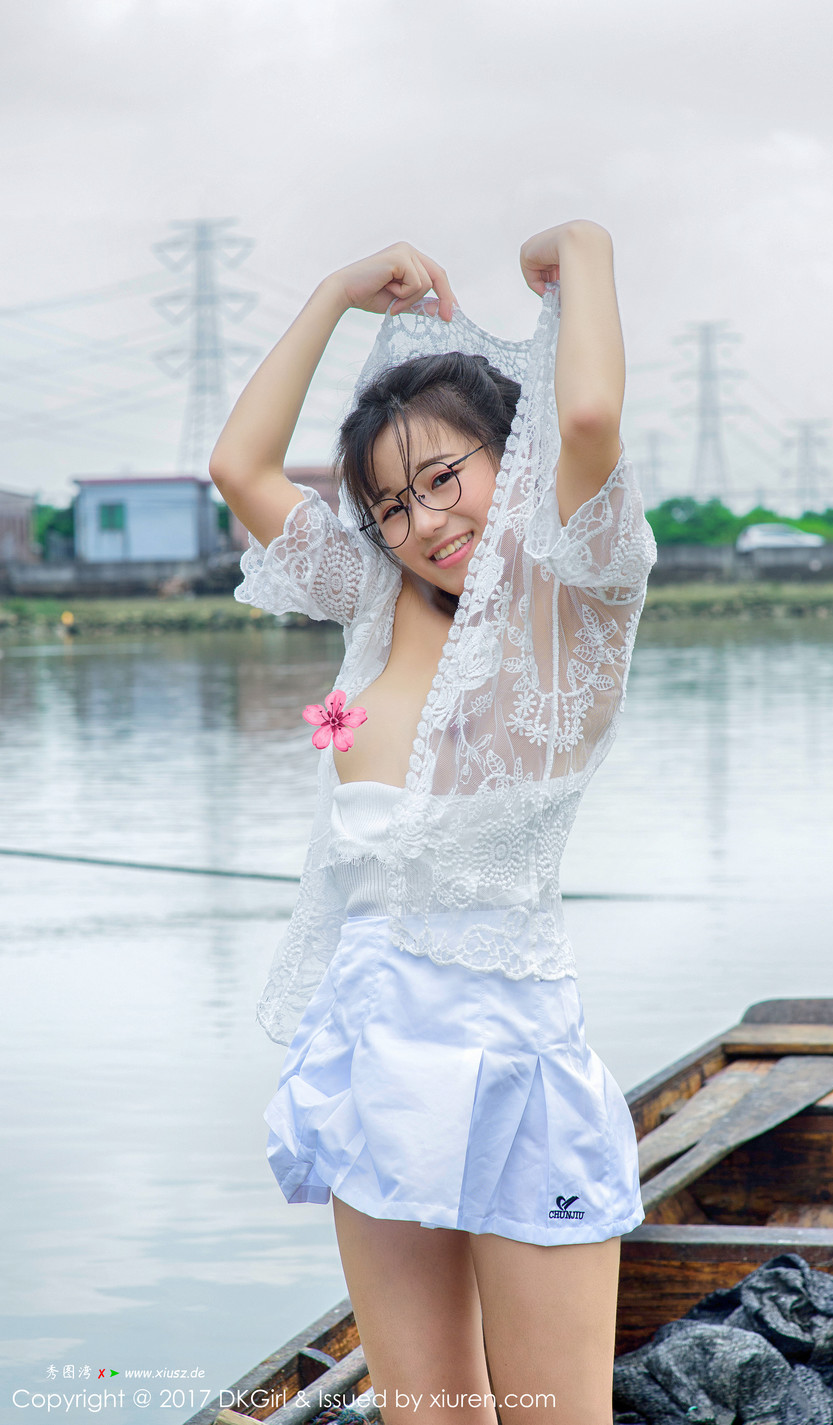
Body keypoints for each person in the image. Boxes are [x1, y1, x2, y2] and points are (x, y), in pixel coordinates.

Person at [209, 221, 658, 1425]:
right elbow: (241, 467)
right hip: (376, 1056)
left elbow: (586, 418)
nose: (423, 522)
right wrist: (331, 292)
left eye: (444, 477)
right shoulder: (374, 599)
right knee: (427, 1414)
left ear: (508, 457)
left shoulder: (576, 594)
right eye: (391, 503)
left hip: (516, 1066)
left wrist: (582, 248)